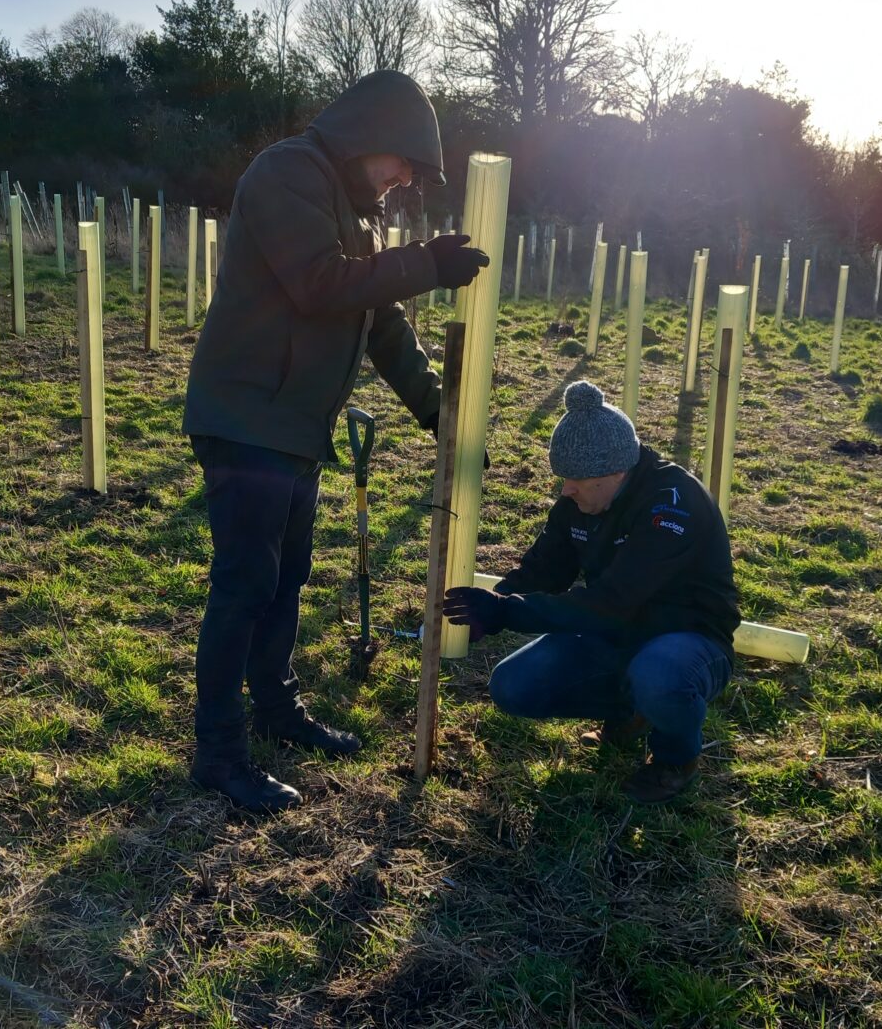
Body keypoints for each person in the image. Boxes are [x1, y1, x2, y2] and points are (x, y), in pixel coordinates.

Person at [182, 70, 490, 814]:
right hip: (247, 416)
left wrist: (438, 413)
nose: (406, 180)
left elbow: (380, 322)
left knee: (285, 579)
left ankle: (277, 711)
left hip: (293, 428)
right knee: (247, 584)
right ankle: (219, 752)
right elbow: (320, 285)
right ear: (367, 138)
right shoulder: (287, 172)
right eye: (404, 162)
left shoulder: (357, 213)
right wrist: (424, 264)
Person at [442, 380, 739, 804]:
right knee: (513, 685)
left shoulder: (673, 504)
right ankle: (627, 711)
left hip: (688, 640)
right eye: (564, 478)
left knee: (659, 675)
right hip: (616, 634)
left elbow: (614, 601)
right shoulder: (580, 502)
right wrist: (485, 608)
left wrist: (507, 612)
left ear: (617, 472)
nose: (566, 489)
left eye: (576, 479)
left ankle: (675, 759)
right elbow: (544, 569)